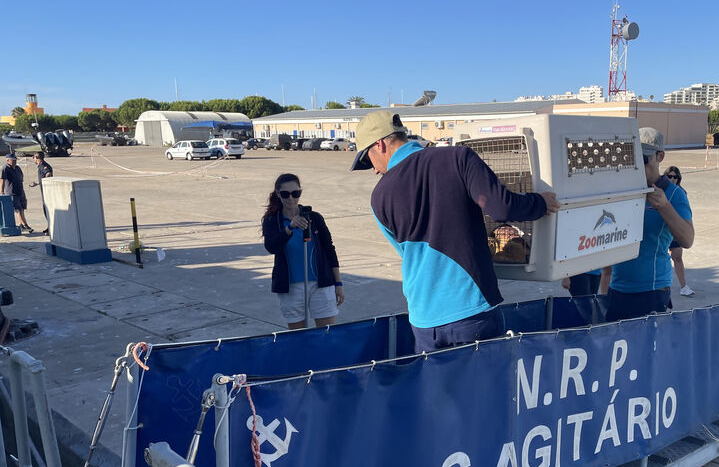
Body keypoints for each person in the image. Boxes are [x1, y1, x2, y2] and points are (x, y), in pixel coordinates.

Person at [350, 110, 559, 353]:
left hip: (424, 317)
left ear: (380, 144)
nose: (374, 170)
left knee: (438, 389)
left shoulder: (379, 197)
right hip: (471, 308)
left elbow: (406, 253)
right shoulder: (456, 158)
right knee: (482, 388)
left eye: (369, 160)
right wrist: (541, 203)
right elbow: (502, 207)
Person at [601, 128, 694, 321]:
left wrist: (665, 207)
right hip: (617, 288)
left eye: (642, 158)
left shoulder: (675, 195)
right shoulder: (622, 192)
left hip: (651, 290)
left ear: (659, 157)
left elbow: (687, 239)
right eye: (631, 157)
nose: (636, 164)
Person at [261, 173, 344, 329]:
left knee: (326, 334)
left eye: (295, 193)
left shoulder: (315, 218)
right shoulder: (272, 220)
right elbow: (271, 247)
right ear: (278, 194)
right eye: (285, 194)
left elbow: (329, 250)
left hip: (321, 284)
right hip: (291, 286)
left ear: (300, 192)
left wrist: (338, 283)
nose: (291, 198)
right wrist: (289, 228)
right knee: (298, 336)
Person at [664, 165, 695, 297]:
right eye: (669, 176)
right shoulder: (660, 190)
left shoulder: (680, 193)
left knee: (677, 256)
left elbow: (685, 214)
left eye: (675, 177)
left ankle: (683, 286)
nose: (672, 179)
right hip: (662, 228)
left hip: (675, 229)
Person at [1, 154, 32, 233]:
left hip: (20, 191)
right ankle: (25, 225)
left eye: (15, 160)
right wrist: (1, 191)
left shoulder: (17, 168)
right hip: (12, 192)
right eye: (13, 160)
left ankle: (21, 224)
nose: (15, 161)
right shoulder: (5, 169)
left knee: (22, 208)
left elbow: (21, 178)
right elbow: (2, 181)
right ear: (8, 160)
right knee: (18, 209)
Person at [30, 152, 53, 235]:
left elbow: (48, 173)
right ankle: (50, 226)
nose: (33, 159)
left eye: (33, 157)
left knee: (47, 209)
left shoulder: (43, 165)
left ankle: (52, 227)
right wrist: (37, 183)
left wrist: (46, 182)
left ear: (36, 157)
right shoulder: (40, 165)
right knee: (45, 209)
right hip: (44, 190)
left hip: (47, 192)